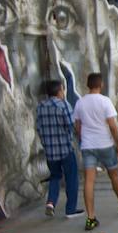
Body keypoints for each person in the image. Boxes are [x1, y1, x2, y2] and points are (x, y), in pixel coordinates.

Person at [72, 72, 118, 231]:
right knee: (114, 174)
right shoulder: (105, 101)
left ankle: (91, 218)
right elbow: (113, 126)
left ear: (88, 85)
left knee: (89, 181)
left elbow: (77, 127)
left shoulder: (80, 103)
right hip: (105, 144)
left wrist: (83, 139)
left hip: (88, 146)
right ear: (101, 85)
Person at [34, 80, 82, 219]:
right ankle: (70, 210)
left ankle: (51, 202)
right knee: (71, 178)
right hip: (65, 149)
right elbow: (71, 124)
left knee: (55, 176)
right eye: (62, 89)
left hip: (49, 152)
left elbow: (38, 128)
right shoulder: (63, 105)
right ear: (59, 91)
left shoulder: (40, 106)